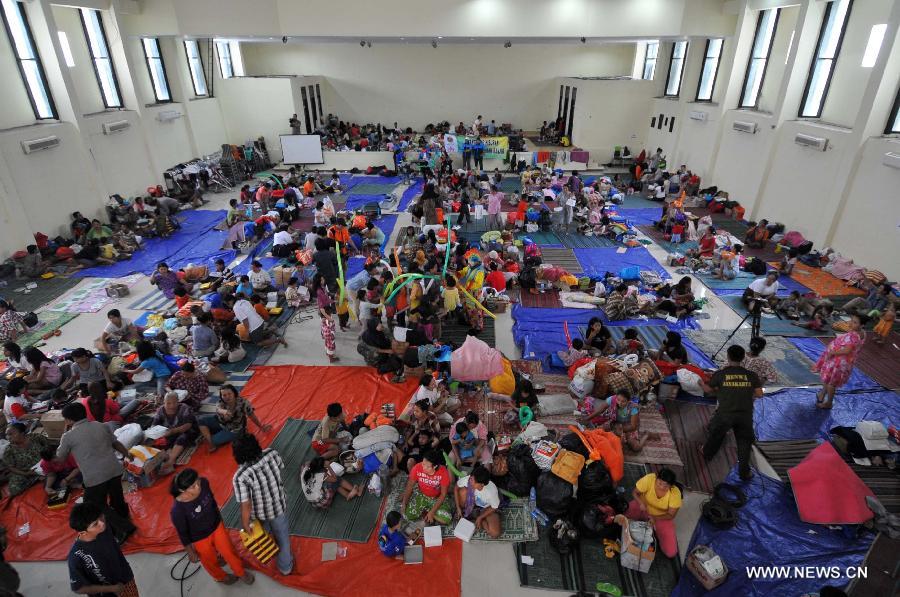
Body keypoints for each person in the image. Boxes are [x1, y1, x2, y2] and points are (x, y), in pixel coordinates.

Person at [57, 402, 137, 542]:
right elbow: (115, 443)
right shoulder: (101, 425)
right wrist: (127, 453)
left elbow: (61, 457)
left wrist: (65, 432)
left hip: (94, 477)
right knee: (117, 498)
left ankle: (124, 527)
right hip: (114, 469)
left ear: (69, 420)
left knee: (94, 505)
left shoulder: (68, 436)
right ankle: (123, 516)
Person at [170, 468, 254, 585]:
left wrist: (220, 520)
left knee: (229, 550)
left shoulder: (204, 483)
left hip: (216, 526)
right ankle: (220, 576)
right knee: (208, 559)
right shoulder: (177, 510)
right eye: (193, 487)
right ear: (182, 490)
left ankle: (240, 572)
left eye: (198, 482)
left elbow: (213, 502)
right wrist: (190, 551)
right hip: (199, 538)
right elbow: (182, 532)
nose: (198, 487)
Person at [232, 434, 294, 576]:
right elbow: (280, 468)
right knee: (283, 537)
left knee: (263, 532)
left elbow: (246, 504)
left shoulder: (240, 476)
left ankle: (268, 548)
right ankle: (286, 568)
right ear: (256, 445)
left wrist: (245, 523)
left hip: (258, 513)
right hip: (278, 506)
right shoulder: (272, 453)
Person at [700, 345, 763, 481]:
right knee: (744, 442)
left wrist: (700, 383)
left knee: (717, 434)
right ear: (742, 358)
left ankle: (707, 453)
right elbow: (759, 394)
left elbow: (708, 390)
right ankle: (744, 472)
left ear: (728, 357)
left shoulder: (721, 374)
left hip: (725, 414)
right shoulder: (751, 376)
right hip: (745, 415)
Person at [67, 502, 138, 596]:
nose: (102, 522)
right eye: (95, 524)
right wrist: (112, 588)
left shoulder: (104, 528)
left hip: (126, 578)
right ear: (83, 532)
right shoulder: (76, 557)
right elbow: (79, 588)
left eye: (100, 516)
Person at [623, 468, 682, 558]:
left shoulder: (675, 493)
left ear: (671, 486)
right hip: (643, 507)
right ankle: (645, 525)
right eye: (660, 483)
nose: (662, 487)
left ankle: (653, 531)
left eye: (666, 486)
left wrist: (654, 518)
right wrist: (640, 503)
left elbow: (671, 515)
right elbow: (635, 492)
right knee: (622, 518)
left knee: (671, 552)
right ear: (656, 478)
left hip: (661, 516)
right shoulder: (650, 479)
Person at [813, 313, 866, 409]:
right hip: (842, 361)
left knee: (831, 383)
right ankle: (822, 394)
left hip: (839, 362)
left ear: (861, 325)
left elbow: (847, 350)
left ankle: (828, 403)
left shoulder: (854, 336)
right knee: (829, 378)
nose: (851, 323)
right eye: (851, 320)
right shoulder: (861, 333)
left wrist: (832, 353)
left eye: (855, 322)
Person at [198, 384, 271, 452]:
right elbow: (218, 409)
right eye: (224, 395)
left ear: (234, 393)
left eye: (229, 394)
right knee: (200, 420)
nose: (227, 397)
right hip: (221, 422)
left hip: (234, 429)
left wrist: (261, 427)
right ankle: (211, 443)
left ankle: (212, 441)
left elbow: (251, 415)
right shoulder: (221, 402)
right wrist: (224, 411)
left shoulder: (243, 403)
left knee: (215, 440)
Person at [400, 449, 452, 525]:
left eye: (427, 466)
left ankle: (428, 511)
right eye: (423, 464)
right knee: (407, 515)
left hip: (436, 497)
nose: (424, 468)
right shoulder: (417, 468)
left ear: (435, 466)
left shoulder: (443, 472)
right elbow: (410, 486)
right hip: (422, 494)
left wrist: (432, 512)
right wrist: (404, 503)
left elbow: (443, 494)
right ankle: (427, 510)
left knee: (447, 519)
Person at [153, 392, 198, 474]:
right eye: (168, 403)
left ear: (178, 401)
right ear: (164, 402)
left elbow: (188, 425)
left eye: (174, 403)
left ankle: (171, 461)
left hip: (187, 431)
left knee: (182, 437)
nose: (172, 406)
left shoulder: (184, 408)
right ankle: (170, 460)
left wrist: (172, 431)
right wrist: (157, 433)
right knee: (162, 441)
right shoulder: (160, 410)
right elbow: (154, 425)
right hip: (170, 433)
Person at [454, 465, 501, 539]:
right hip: (472, 504)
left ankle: (478, 518)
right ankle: (472, 515)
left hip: (486, 508)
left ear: (482, 484)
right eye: (471, 479)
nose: (471, 482)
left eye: (474, 481)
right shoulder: (469, 479)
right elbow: (456, 488)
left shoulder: (491, 491)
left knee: (495, 533)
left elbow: (494, 507)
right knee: (463, 492)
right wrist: (458, 507)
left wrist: (480, 517)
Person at [2, 423, 48, 496]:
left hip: (44, 465)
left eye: (11, 434)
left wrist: (46, 462)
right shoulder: (9, 450)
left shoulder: (36, 437)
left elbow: (48, 448)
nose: (8, 437)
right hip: (25, 472)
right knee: (14, 489)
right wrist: (26, 473)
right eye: (7, 435)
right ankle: (35, 478)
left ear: (22, 433)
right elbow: (11, 467)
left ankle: (40, 477)